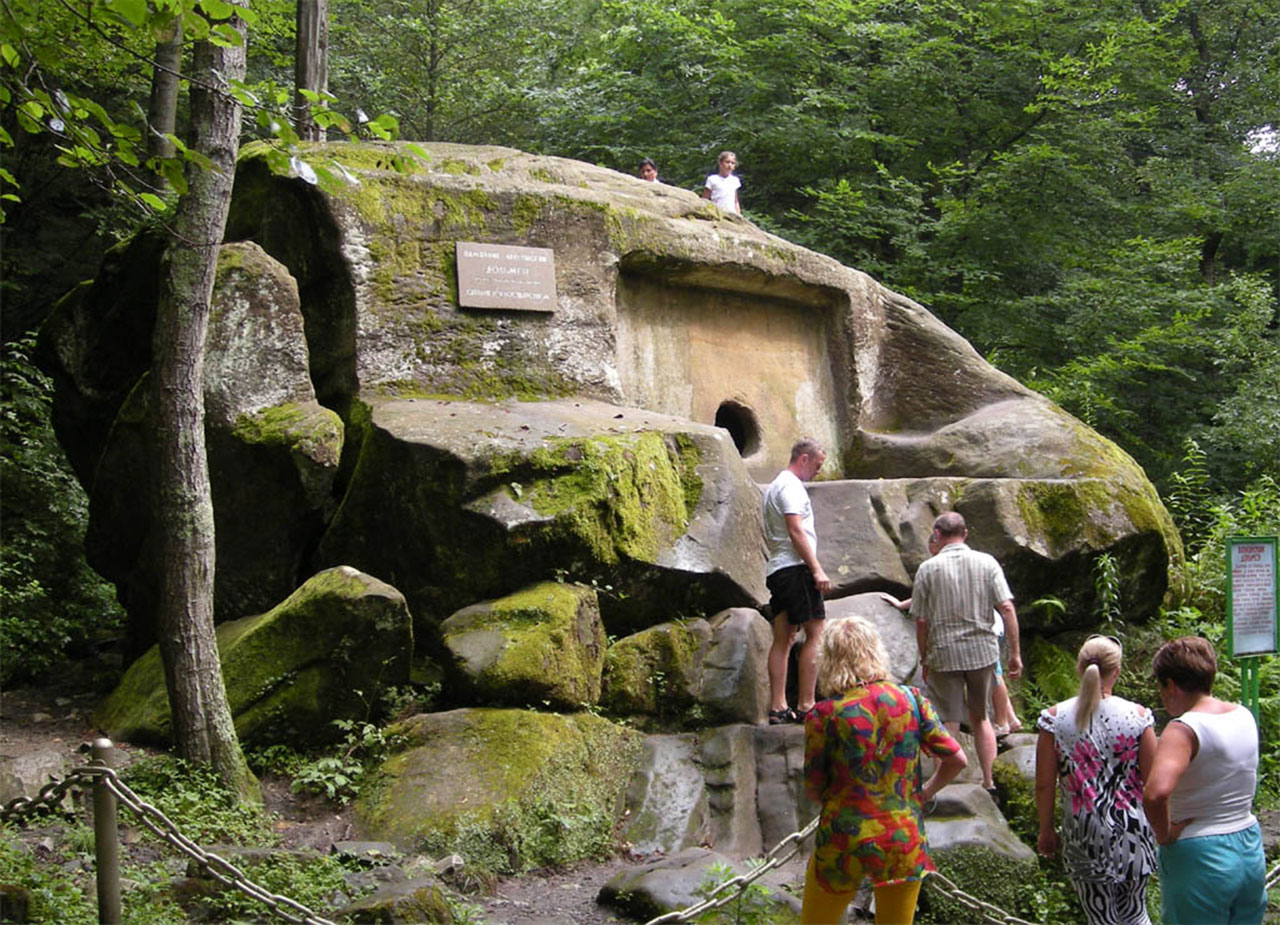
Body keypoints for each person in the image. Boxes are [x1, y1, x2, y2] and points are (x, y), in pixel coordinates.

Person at [801, 616, 967, 925]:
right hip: (903, 838)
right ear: (875, 651)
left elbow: (813, 788)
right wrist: (923, 793)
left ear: (828, 659)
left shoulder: (823, 715)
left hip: (843, 842)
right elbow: (957, 759)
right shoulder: (912, 700)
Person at [1143, 636, 1265, 925]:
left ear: (1170, 685)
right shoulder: (1243, 715)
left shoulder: (1184, 729)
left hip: (1200, 855)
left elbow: (1155, 793)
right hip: (1248, 845)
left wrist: (1164, 835)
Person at [1035, 634, 1156, 925]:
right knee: (1136, 912)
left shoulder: (1054, 719)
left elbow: (1044, 783)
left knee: (1100, 916)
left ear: (1079, 669)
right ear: (1117, 671)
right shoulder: (1139, 716)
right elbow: (1153, 781)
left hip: (1085, 835)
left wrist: (1046, 829)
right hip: (1135, 831)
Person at [910, 512, 1021, 799]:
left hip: (943, 653)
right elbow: (1007, 608)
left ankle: (942, 785)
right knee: (981, 717)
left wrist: (924, 658)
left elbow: (920, 620)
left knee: (946, 719)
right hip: (981, 654)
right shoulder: (987, 563)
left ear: (937, 534)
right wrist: (1015, 654)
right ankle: (989, 782)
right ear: (966, 533)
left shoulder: (928, 569)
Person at [763, 438, 830, 724]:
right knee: (816, 633)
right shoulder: (791, 487)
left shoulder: (774, 486)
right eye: (817, 465)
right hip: (796, 568)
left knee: (784, 637)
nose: (817, 471)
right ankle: (806, 704)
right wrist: (816, 569)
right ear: (803, 458)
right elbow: (796, 530)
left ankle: (778, 706)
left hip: (777, 569)